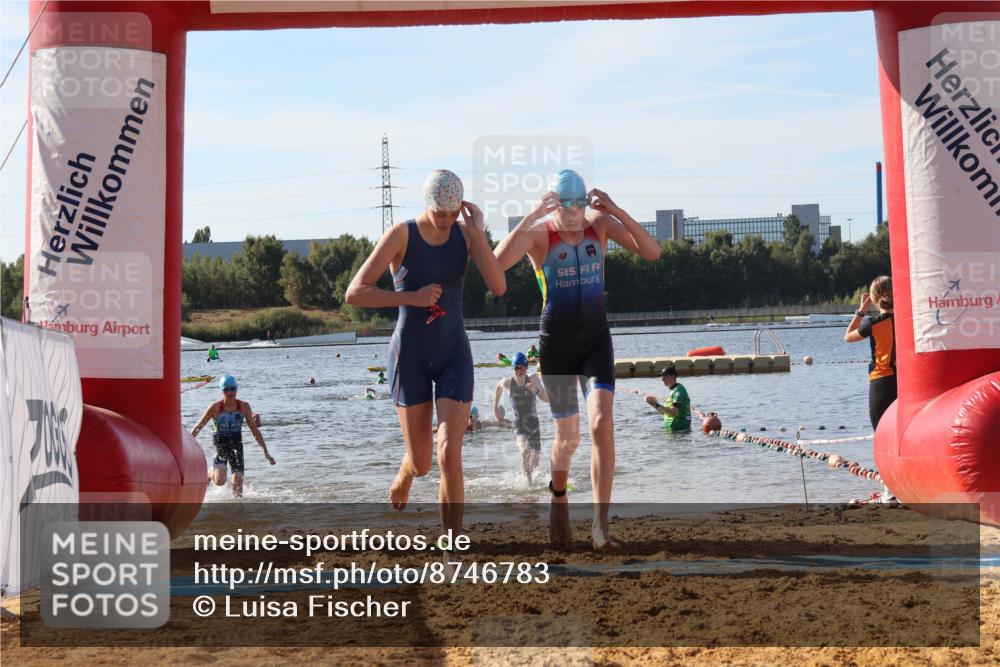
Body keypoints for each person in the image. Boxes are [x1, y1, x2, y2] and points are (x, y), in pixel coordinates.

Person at [495, 169, 661, 550]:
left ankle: (601, 526)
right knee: (567, 439)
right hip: (556, 347)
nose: (574, 214)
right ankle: (559, 498)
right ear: (553, 201)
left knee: (602, 423)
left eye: (580, 204)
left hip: (595, 341)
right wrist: (532, 214)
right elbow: (497, 263)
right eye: (565, 205)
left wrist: (617, 210)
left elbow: (653, 251)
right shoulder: (540, 234)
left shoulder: (598, 226)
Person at [345, 169, 506, 538]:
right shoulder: (401, 235)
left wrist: (477, 233)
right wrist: (411, 298)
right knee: (421, 463)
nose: (448, 221)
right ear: (428, 204)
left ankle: (451, 548)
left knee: (449, 452)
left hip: (454, 353)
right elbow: (355, 292)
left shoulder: (466, 236)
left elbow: (498, 286)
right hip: (410, 357)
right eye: (441, 214)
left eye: (454, 214)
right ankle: (406, 473)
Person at [844, 275, 898, 505]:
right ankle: (905, 487)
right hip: (904, 383)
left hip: (881, 383)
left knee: (883, 439)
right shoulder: (907, 320)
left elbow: (847, 337)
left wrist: (861, 311)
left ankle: (890, 493)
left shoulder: (873, 323)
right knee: (900, 437)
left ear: (875, 299)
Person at [191, 374, 275, 498]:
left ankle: (237, 514)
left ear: (236, 388)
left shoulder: (244, 406)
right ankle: (210, 473)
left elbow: (255, 431)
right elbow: (199, 426)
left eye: (232, 389)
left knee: (238, 486)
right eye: (226, 389)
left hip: (236, 444)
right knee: (220, 481)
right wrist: (185, 443)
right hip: (220, 444)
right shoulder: (215, 407)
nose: (230, 392)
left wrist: (266, 452)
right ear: (222, 390)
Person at [493, 352, 549, 482]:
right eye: (517, 368)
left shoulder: (534, 378)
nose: (520, 370)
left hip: (534, 423)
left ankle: (532, 487)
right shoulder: (508, 383)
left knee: (535, 458)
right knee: (525, 451)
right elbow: (498, 386)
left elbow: (546, 399)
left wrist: (536, 390)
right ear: (513, 368)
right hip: (518, 424)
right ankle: (526, 483)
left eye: (522, 367)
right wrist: (495, 407)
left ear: (526, 367)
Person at [645, 366, 691, 431]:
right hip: (671, 430)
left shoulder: (678, 390)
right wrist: (653, 403)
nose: (662, 379)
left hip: (679, 431)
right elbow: (665, 413)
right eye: (662, 376)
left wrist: (657, 404)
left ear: (673, 376)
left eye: (665, 376)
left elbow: (673, 412)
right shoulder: (673, 391)